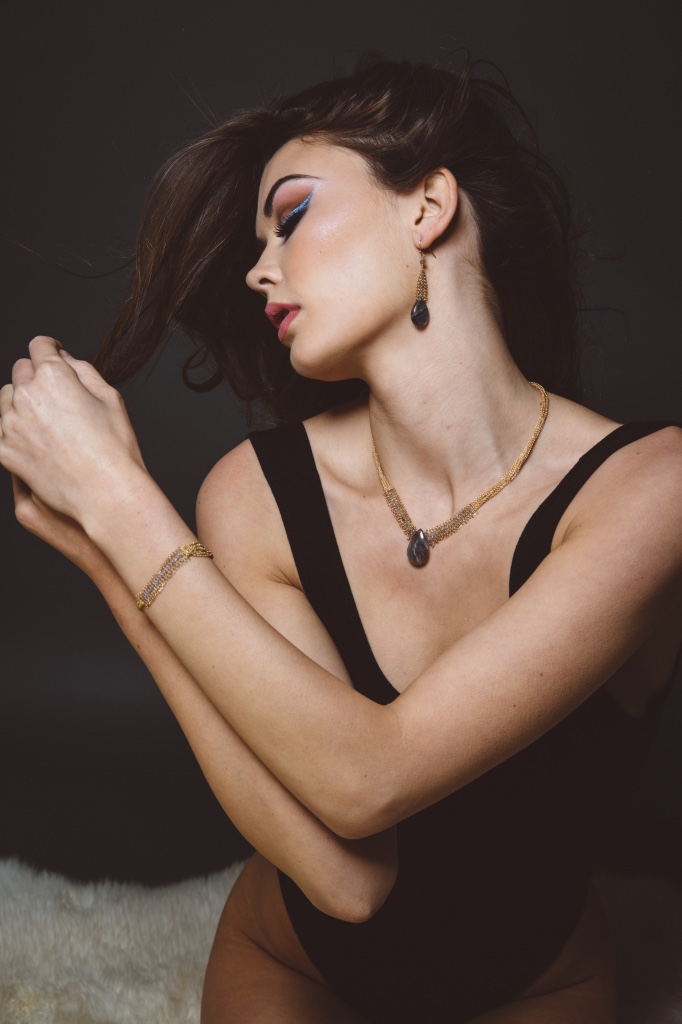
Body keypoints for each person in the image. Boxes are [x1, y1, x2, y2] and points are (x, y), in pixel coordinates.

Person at [1, 54, 680, 1023]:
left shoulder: (649, 491)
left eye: (292, 213)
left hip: (540, 983)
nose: (257, 267)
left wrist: (120, 502)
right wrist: (112, 566)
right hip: (297, 963)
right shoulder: (257, 495)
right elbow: (343, 879)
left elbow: (369, 780)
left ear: (426, 206)